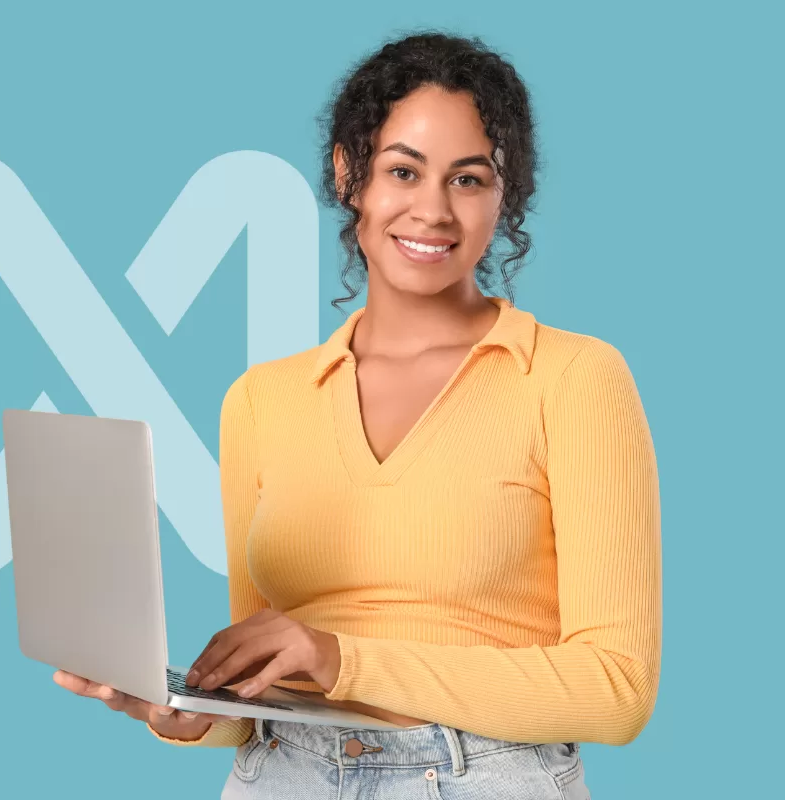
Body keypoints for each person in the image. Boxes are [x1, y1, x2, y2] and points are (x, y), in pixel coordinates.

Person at [54, 29, 659, 799]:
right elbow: (266, 678)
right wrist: (190, 710)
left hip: (487, 775)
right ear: (350, 175)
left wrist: (346, 659)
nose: (434, 211)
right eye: (403, 171)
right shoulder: (261, 401)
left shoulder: (573, 379)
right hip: (281, 774)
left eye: (469, 180)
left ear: (504, 195)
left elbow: (618, 688)